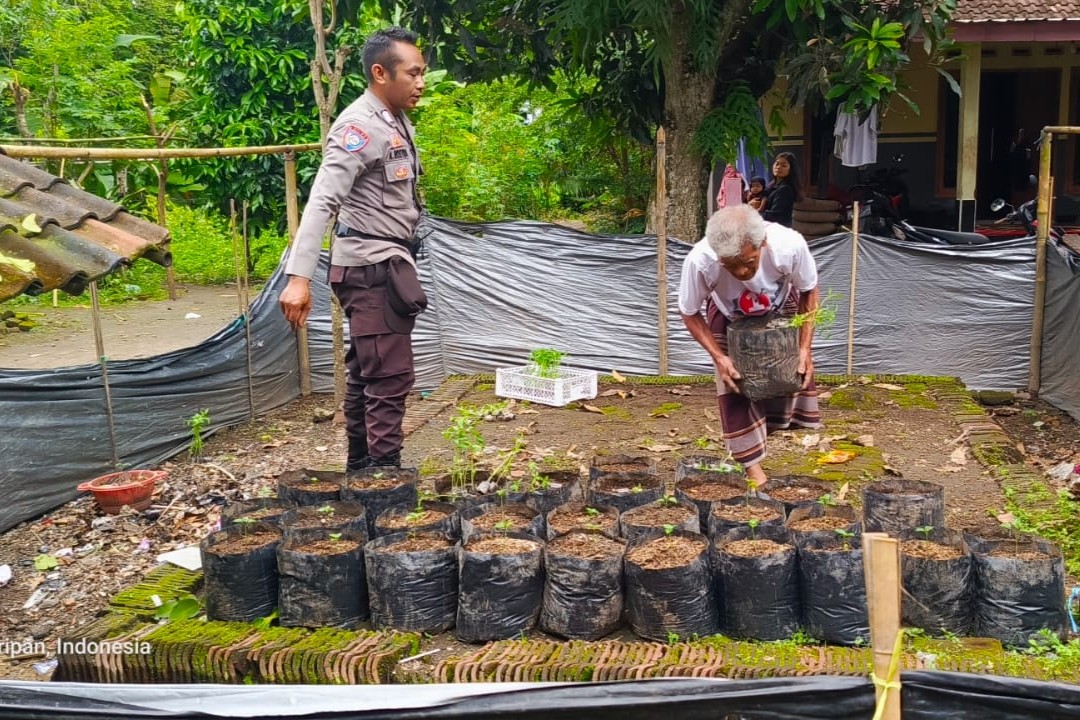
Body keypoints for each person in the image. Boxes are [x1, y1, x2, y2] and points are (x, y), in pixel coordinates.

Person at [279, 26, 428, 471]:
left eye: (422, 73)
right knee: (389, 375)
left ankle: (363, 470)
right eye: (413, 73)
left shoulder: (394, 119)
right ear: (380, 73)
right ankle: (384, 478)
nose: (421, 83)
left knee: (368, 371)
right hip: (370, 269)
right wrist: (298, 279)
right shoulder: (359, 127)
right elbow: (322, 201)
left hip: (384, 263)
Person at [678, 204, 822, 488]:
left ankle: (767, 434)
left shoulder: (789, 246)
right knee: (735, 384)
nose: (742, 272)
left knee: (789, 376)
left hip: (781, 306)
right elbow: (689, 311)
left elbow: (809, 290)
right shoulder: (700, 261)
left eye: (749, 261)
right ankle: (753, 468)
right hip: (728, 314)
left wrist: (805, 348)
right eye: (730, 266)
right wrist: (719, 357)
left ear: (762, 243)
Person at [759, 152, 801, 228]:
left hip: (779, 230)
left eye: (783, 165)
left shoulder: (785, 189)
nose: (778, 167)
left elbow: (775, 215)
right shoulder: (772, 185)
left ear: (790, 169)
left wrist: (755, 213)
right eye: (777, 164)